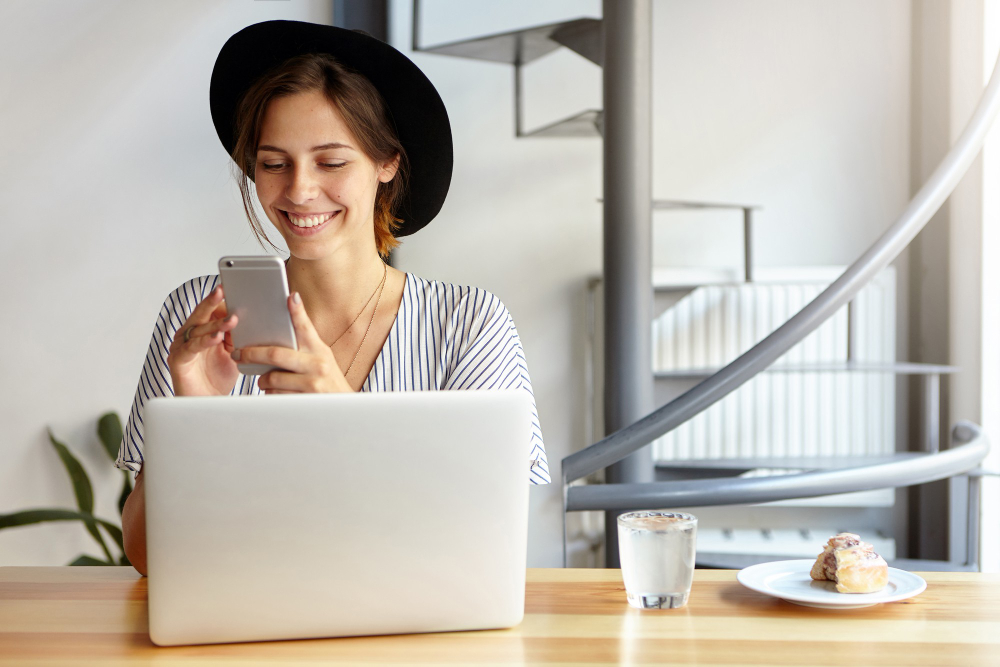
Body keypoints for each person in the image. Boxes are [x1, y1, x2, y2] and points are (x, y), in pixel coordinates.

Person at [117, 20, 550, 575]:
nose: (298, 190)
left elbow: (489, 542)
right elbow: (145, 555)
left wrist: (341, 414)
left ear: (387, 162)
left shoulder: (469, 324)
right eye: (274, 163)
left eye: (331, 161)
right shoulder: (197, 317)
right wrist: (195, 420)